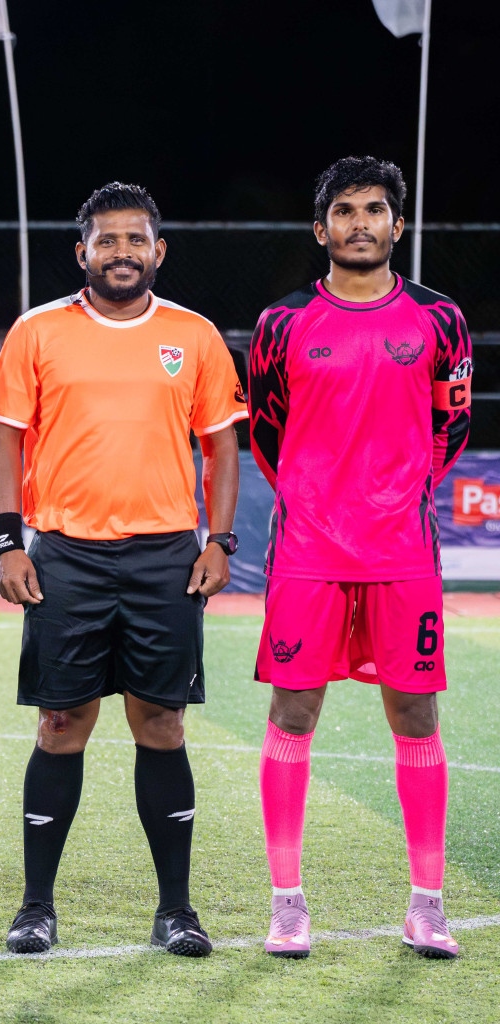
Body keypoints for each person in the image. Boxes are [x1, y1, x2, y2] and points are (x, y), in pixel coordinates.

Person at [0, 182, 245, 957]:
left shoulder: (194, 336)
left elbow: (221, 446)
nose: (122, 252)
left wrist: (220, 540)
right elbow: (4, 441)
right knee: (61, 724)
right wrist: (7, 544)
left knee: (161, 723)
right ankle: (36, 907)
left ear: (158, 250)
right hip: (66, 555)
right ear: (83, 253)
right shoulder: (37, 332)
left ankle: (176, 911)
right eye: (107, 240)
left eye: (136, 239)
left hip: (166, 557)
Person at [249, 156, 473, 960]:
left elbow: (453, 424)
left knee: (416, 715)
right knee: (293, 714)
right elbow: (266, 433)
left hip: (402, 550)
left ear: (397, 225)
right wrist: (317, 498)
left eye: (374, 209)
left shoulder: (441, 319)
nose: (360, 223)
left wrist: (396, 493)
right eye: (344, 211)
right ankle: (287, 905)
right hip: (308, 549)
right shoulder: (282, 324)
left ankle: (427, 906)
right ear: (321, 229)